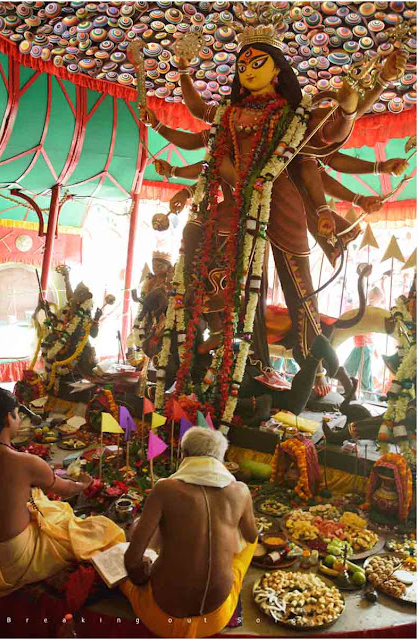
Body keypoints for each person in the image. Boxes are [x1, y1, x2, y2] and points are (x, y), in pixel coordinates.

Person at [144, 25, 407, 421]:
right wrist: (183, 74)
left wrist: (374, 87)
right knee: (212, 274)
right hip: (234, 207)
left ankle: (318, 370)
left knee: (301, 295)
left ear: (278, 70)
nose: (246, 69)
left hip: (279, 204)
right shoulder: (230, 114)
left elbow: (332, 131)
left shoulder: (293, 116)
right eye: (242, 63)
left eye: (257, 62)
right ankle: (230, 361)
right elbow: (200, 120)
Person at [122, 427, 258, 638]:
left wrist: (142, 579)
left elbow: (132, 562)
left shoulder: (165, 489)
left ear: (184, 455)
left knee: (120, 565)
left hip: (163, 617)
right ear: (221, 459)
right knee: (251, 545)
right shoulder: (240, 490)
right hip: (216, 617)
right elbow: (251, 536)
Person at [0, 386, 125, 601]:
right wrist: (83, 484)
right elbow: (67, 489)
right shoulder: (24, 463)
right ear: (9, 418)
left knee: (48, 509)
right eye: (18, 415)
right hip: (12, 560)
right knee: (99, 529)